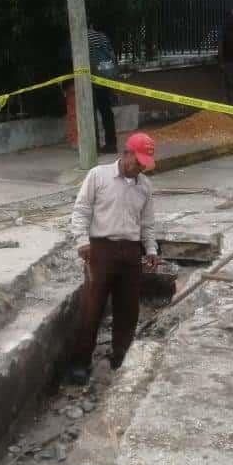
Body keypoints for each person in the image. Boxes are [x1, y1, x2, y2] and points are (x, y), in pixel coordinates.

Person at [66, 132, 160, 385]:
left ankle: (120, 356)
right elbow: (81, 210)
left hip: (131, 252)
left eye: (144, 163)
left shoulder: (145, 187)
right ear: (126, 153)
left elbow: (147, 224)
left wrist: (151, 250)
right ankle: (80, 363)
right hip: (100, 249)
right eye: (137, 160)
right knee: (91, 307)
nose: (140, 166)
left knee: (128, 308)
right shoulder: (98, 176)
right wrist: (82, 242)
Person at [88, 27, 119, 154]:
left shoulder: (82, 38)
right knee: (106, 111)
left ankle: (94, 145)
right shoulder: (102, 36)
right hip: (106, 77)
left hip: (92, 79)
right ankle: (111, 143)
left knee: (91, 114)